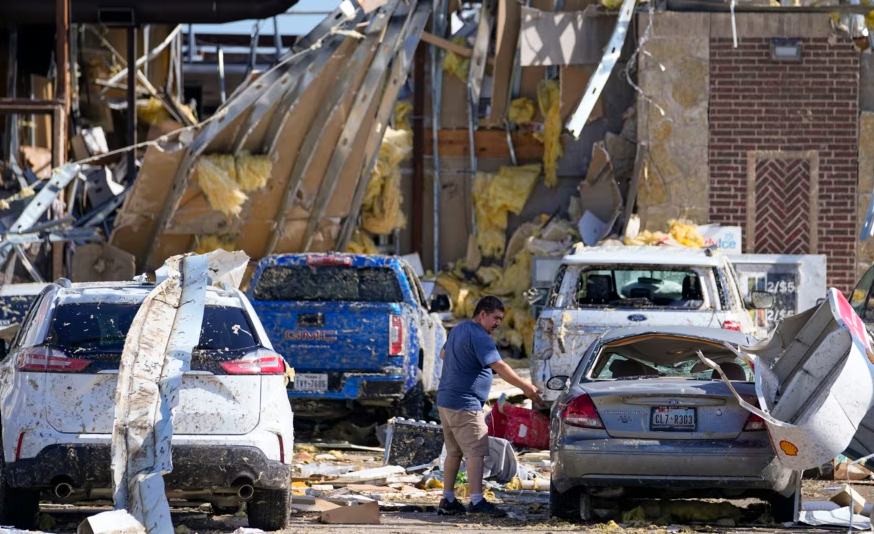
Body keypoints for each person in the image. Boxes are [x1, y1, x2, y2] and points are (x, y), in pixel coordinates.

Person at [435, 296, 544, 517]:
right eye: (495, 318)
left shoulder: (458, 329)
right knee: (476, 452)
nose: (497, 323)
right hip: (465, 404)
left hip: (446, 401)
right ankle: (476, 501)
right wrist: (527, 388)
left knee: (454, 453)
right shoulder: (479, 335)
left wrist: (464, 365)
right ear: (482, 313)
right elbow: (500, 366)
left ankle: (447, 499)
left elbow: (443, 354)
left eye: (501, 319)